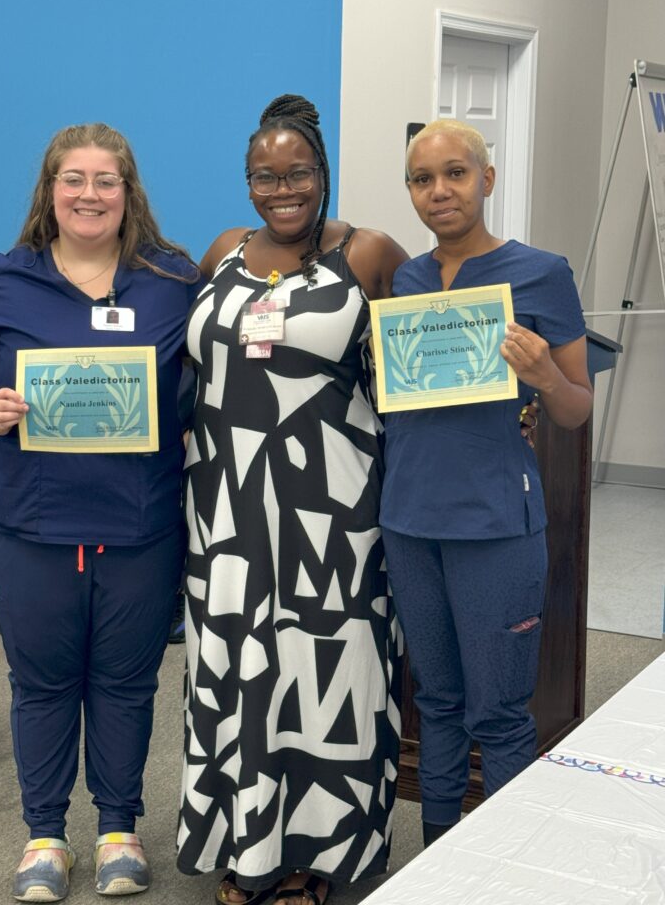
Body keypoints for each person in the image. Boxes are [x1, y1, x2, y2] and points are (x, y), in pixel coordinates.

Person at [0, 123, 201, 902]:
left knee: (126, 682)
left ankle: (119, 827)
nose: (90, 194)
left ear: (130, 193)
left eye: (107, 180)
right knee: (44, 683)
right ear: (50, 191)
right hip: (28, 521)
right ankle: (45, 835)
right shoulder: (1, 278)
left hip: (140, 522)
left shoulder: (173, 279)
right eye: (74, 179)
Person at [176, 95, 408, 905]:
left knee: (322, 678)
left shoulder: (368, 254)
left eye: (297, 172)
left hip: (333, 515)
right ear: (247, 183)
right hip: (227, 513)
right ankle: (248, 847)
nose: (283, 189)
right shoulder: (221, 251)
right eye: (264, 176)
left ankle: (316, 855)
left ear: (323, 172)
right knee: (240, 676)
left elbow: (424, 356)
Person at [381, 119, 593, 848]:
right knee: (434, 701)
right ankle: (440, 852)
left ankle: (500, 864)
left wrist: (543, 377)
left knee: (499, 712)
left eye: (455, 174)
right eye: (421, 179)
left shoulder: (542, 272)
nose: (438, 191)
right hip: (409, 522)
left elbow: (575, 409)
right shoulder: (405, 282)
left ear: (486, 180)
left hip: (497, 525)